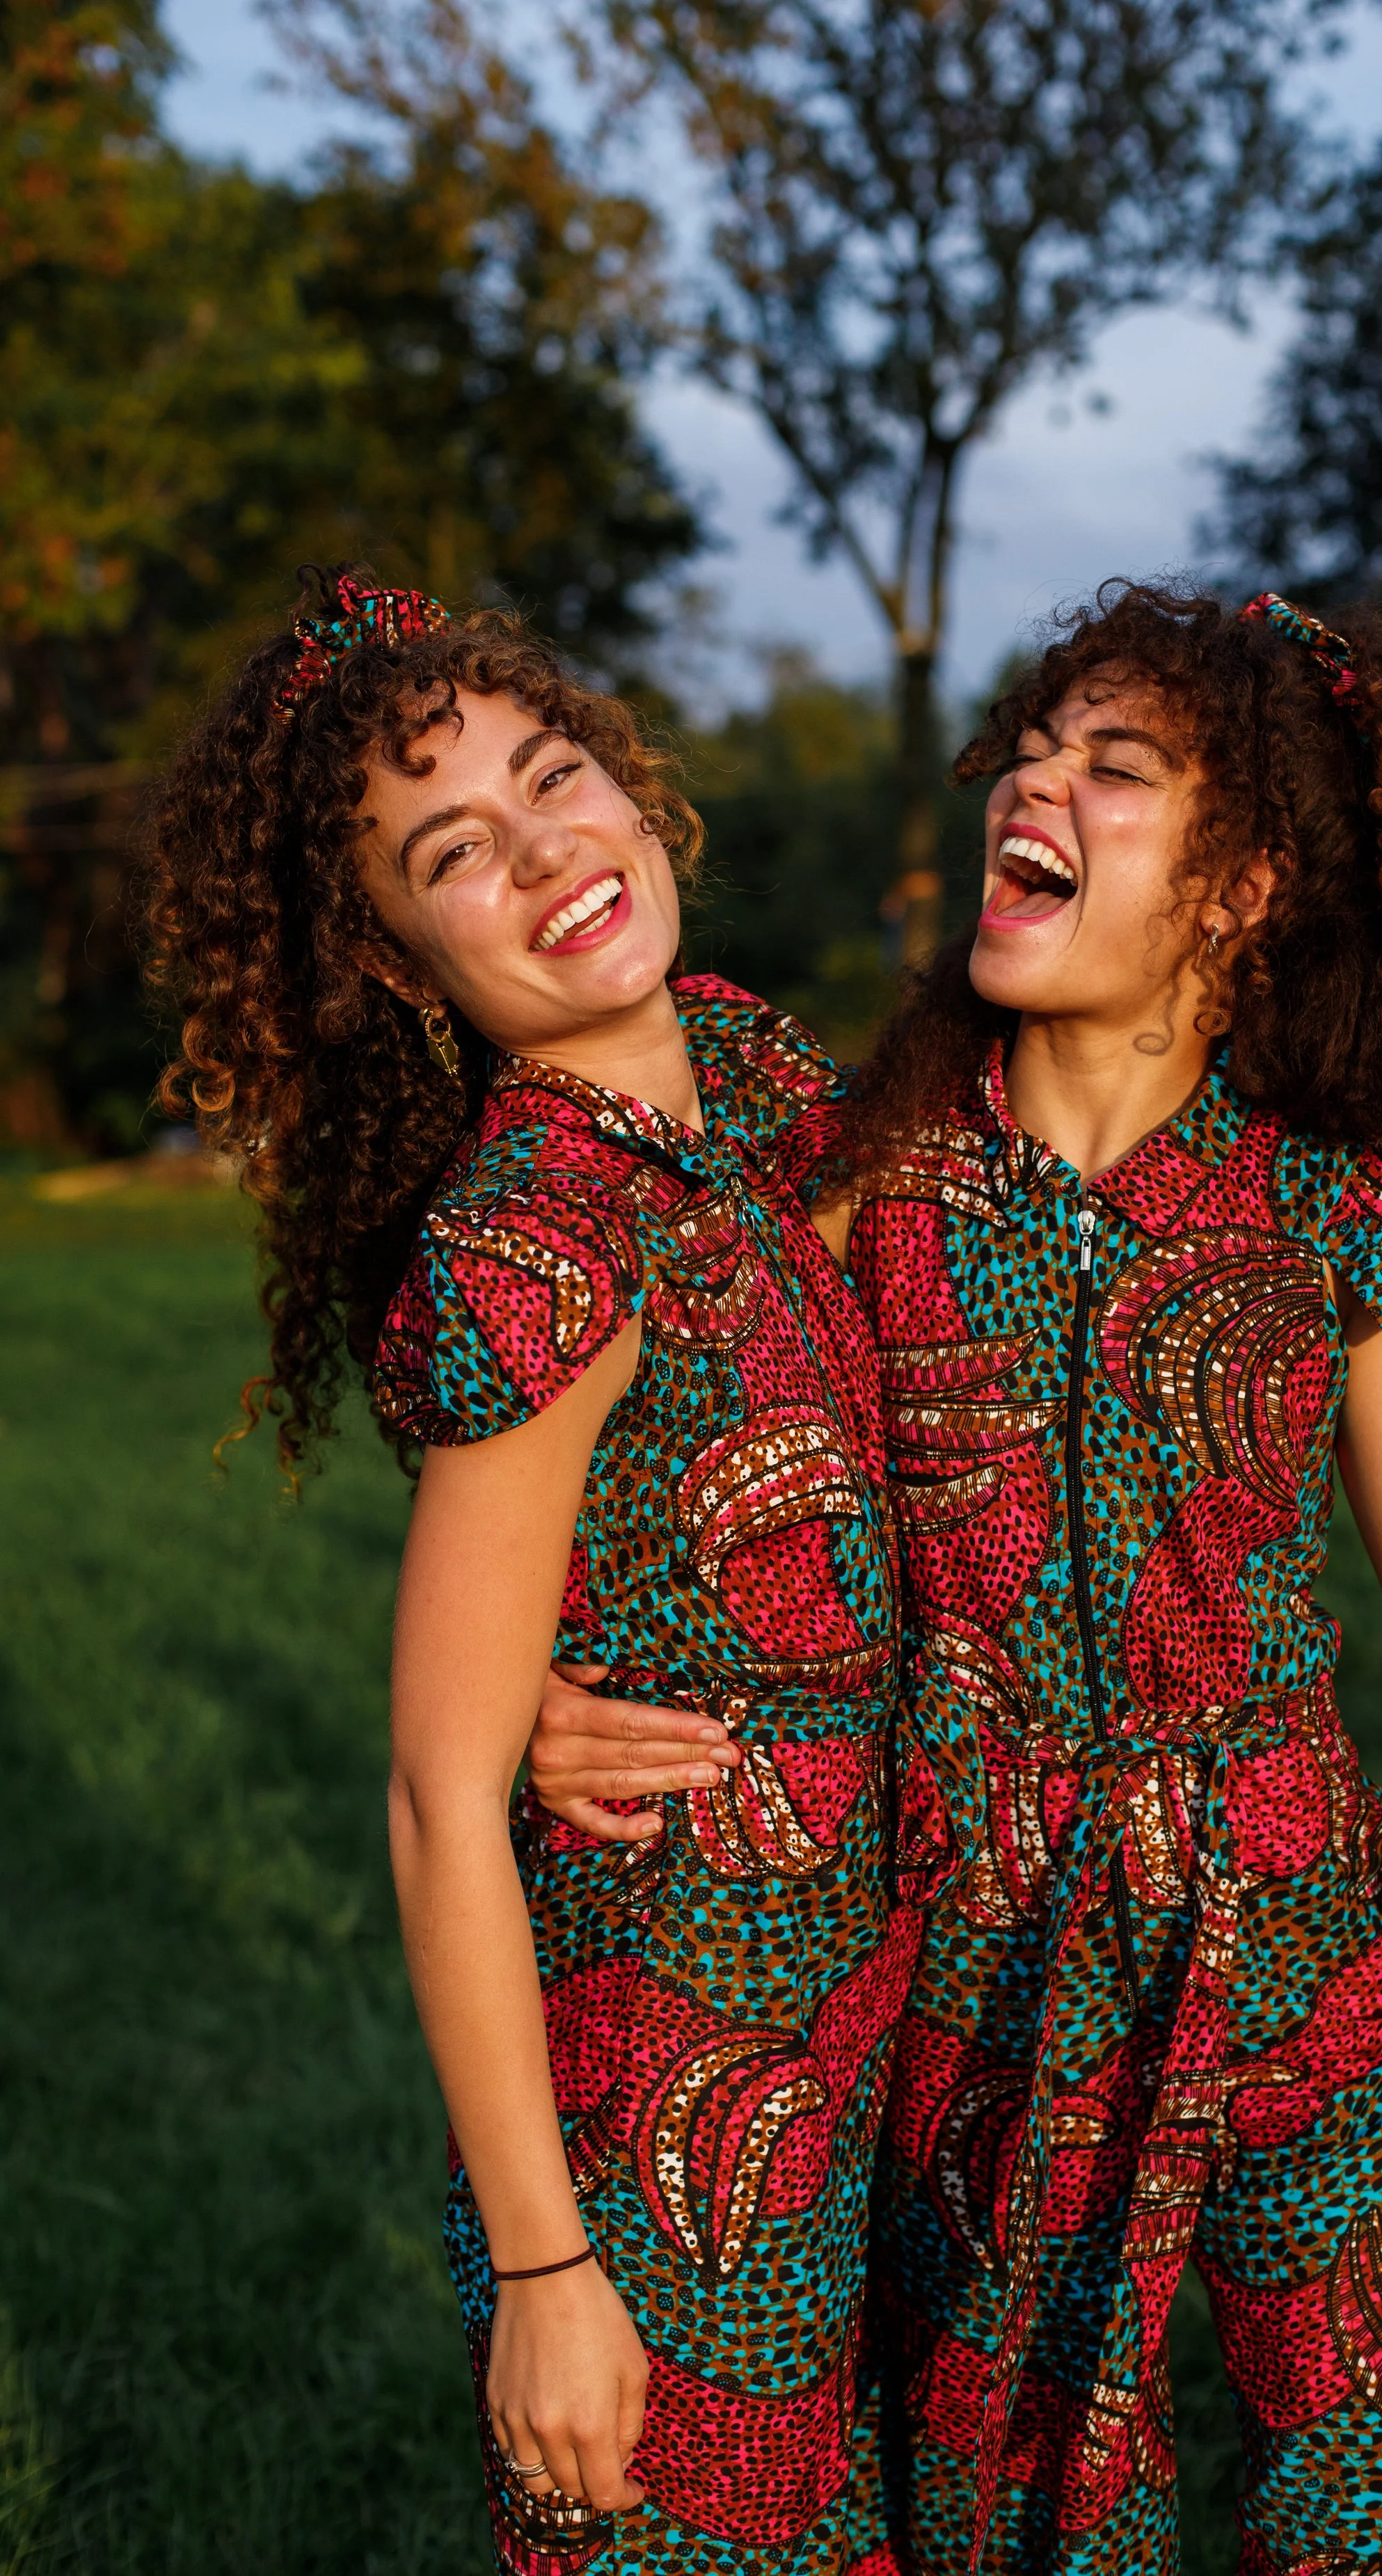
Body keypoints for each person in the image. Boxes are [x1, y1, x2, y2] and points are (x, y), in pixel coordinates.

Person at [527, 582, 1382, 2576]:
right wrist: (537, 1698)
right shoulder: (868, 1173)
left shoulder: (1344, 1185)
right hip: (970, 1922)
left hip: (1294, 1902)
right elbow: (617, 1480)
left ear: (1239, 888)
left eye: (1115, 768)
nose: (1035, 784)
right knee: (1016, 2483)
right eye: (1030, 750)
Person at [147, 569, 920, 2575]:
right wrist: (546, 2270)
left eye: (554, 777)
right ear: (401, 961)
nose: (545, 851)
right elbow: (438, 1793)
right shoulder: (534, 1244)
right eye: (452, 853)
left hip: (879, 2016)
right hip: (677, 2087)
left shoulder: (756, 1082)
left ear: (635, 789)